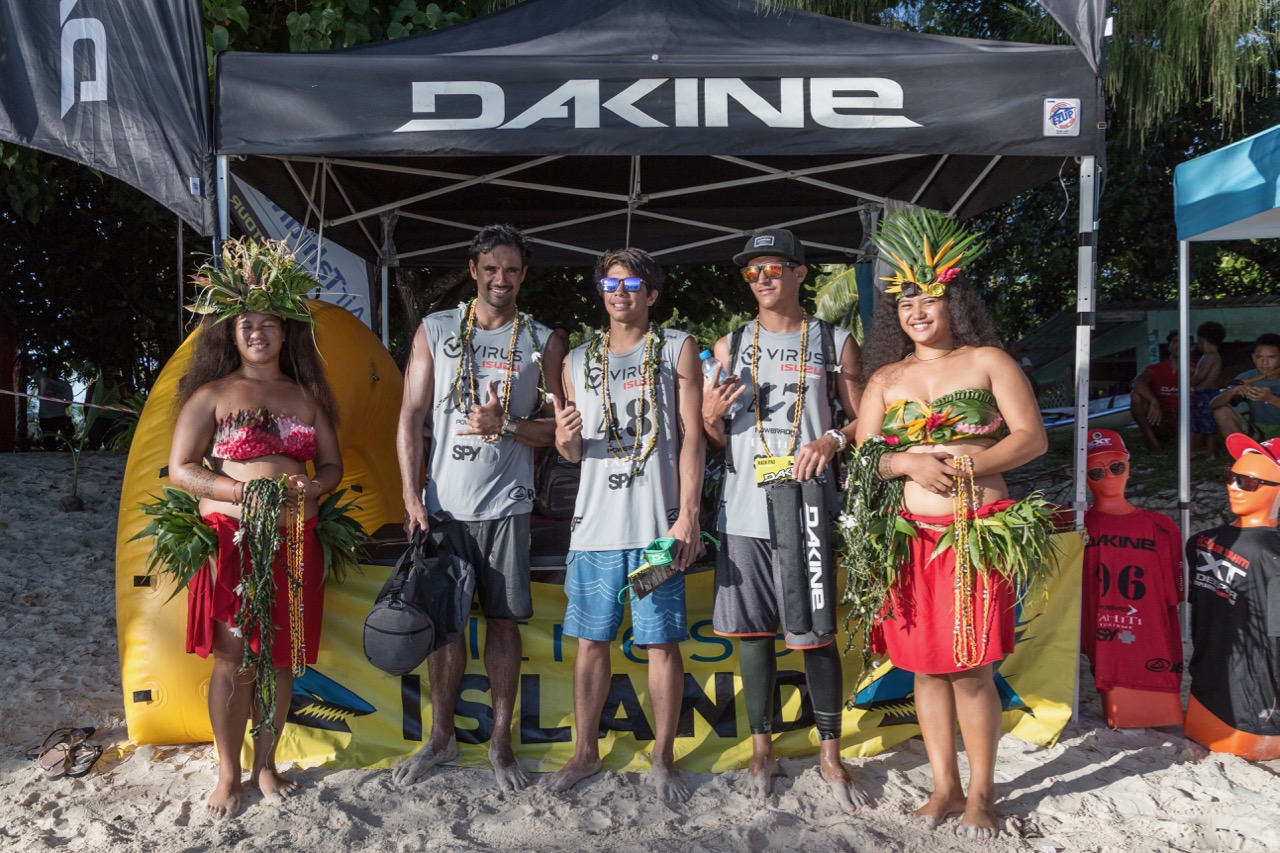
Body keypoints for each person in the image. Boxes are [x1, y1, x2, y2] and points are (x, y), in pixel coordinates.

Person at [848, 209, 1054, 838]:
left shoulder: (988, 361)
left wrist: (976, 466)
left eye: (928, 297)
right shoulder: (885, 379)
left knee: (970, 669)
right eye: (906, 300)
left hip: (974, 535)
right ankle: (943, 787)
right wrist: (904, 458)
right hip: (912, 543)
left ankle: (983, 794)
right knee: (926, 669)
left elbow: (1033, 439)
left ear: (953, 301)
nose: (916, 310)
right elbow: (864, 460)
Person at [168, 238, 343, 818]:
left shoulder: (306, 397)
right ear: (232, 333)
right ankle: (228, 771)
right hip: (233, 537)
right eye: (248, 324)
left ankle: (266, 763)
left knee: (283, 657)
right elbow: (181, 470)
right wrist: (240, 492)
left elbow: (331, 466)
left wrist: (314, 488)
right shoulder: (211, 394)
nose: (259, 333)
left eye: (270, 324)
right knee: (234, 656)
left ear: (286, 334)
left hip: (297, 540)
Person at [701, 227, 869, 812]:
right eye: (752, 271)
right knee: (753, 635)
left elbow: (865, 418)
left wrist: (829, 438)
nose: (762, 278)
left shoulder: (833, 340)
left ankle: (829, 752)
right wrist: (710, 414)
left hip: (808, 509)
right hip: (745, 508)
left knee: (815, 633)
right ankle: (761, 750)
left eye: (773, 268)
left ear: (800, 273)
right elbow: (713, 435)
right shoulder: (729, 344)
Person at [393, 224, 565, 791]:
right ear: (473, 270)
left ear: (523, 275)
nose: (500, 279)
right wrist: (410, 494)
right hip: (444, 508)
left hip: (508, 508)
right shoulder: (435, 329)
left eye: (511, 270)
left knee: (503, 624)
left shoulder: (542, 339)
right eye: (490, 268)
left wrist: (508, 425)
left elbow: (562, 436)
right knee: (445, 629)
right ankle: (439, 739)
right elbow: (410, 417)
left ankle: (500, 744)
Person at [545, 247, 703, 801]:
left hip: (655, 532)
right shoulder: (576, 359)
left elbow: (691, 438)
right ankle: (585, 753)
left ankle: (662, 757)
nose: (621, 292)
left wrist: (688, 515)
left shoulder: (677, 348)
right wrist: (564, 434)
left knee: (660, 642)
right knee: (591, 642)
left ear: (652, 294)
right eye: (610, 284)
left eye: (632, 283)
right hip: (594, 531)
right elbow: (569, 452)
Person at [1184, 433, 1280, 760]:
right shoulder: (1266, 555)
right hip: (1249, 710)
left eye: (1248, 482)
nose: (1233, 487)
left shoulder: (1199, 542)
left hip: (1216, 702)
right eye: (1231, 476)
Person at [1080, 428, 1184, 728]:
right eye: (1096, 472)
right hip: (1103, 631)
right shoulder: (1077, 524)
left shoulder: (1161, 526)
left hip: (1149, 631)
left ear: (1128, 466)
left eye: (1116, 466)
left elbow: (1173, 594)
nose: (1109, 476)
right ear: (1084, 478)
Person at [1211, 333, 1280, 441]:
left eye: (1271, 357)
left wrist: (1271, 399)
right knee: (1221, 412)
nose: (1264, 362)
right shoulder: (1248, 377)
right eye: (1259, 357)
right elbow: (1213, 404)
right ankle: (1245, 453)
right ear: (1253, 357)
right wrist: (1232, 392)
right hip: (1257, 432)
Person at [1129, 331, 1184, 455]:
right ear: (1169, 346)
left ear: (1191, 347)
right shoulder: (1156, 369)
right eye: (1175, 342)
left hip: (1187, 421)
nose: (1179, 346)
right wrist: (1153, 400)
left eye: (1184, 342)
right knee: (1136, 396)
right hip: (1160, 419)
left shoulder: (1197, 369)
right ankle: (1154, 445)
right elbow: (1136, 383)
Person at [1190, 321, 1225, 458]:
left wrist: (1185, 385)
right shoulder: (1211, 356)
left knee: (1209, 426)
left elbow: (1201, 376)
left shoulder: (1211, 356)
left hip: (1206, 395)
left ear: (1202, 339)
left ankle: (1210, 452)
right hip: (1203, 394)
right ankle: (1198, 450)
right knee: (1199, 424)